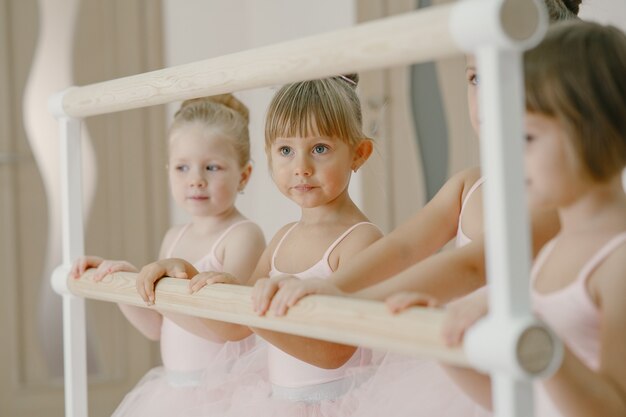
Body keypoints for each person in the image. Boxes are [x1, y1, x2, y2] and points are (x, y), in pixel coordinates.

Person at [252, 0, 581, 317]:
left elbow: (471, 267)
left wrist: (355, 300)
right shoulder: (468, 185)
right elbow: (403, 248)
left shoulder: (559, 200)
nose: (486, 96)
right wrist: (332, 287)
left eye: (509, 73)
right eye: (475, 78)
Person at [394, 21, 626, 417]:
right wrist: (442, 342)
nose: (509, 154)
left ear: (596, 131)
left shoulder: (617, 263)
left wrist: (540, 341)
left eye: (527, 138)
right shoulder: (553, 252)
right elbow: (518, 400)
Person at [137, 74, 383, 415]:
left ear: (359, 153)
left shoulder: (361, 241)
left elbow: (334, 353)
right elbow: (236, 328)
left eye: (320, 149)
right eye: (285, 150)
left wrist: (256, 312)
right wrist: (189, 277)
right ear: (269, 155)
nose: (301, 168)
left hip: (342, 404)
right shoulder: (281, 239)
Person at [69, 94, 266, 417]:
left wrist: (159, 293)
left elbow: (225, 329)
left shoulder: (243, 235)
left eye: (212, 167)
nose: (196, 179)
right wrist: (126, 281)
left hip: (226, 395)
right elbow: (156, 328)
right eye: (182, 167)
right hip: (174, 392)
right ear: (168, 171)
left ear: (243, 175)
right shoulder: (174, 238)